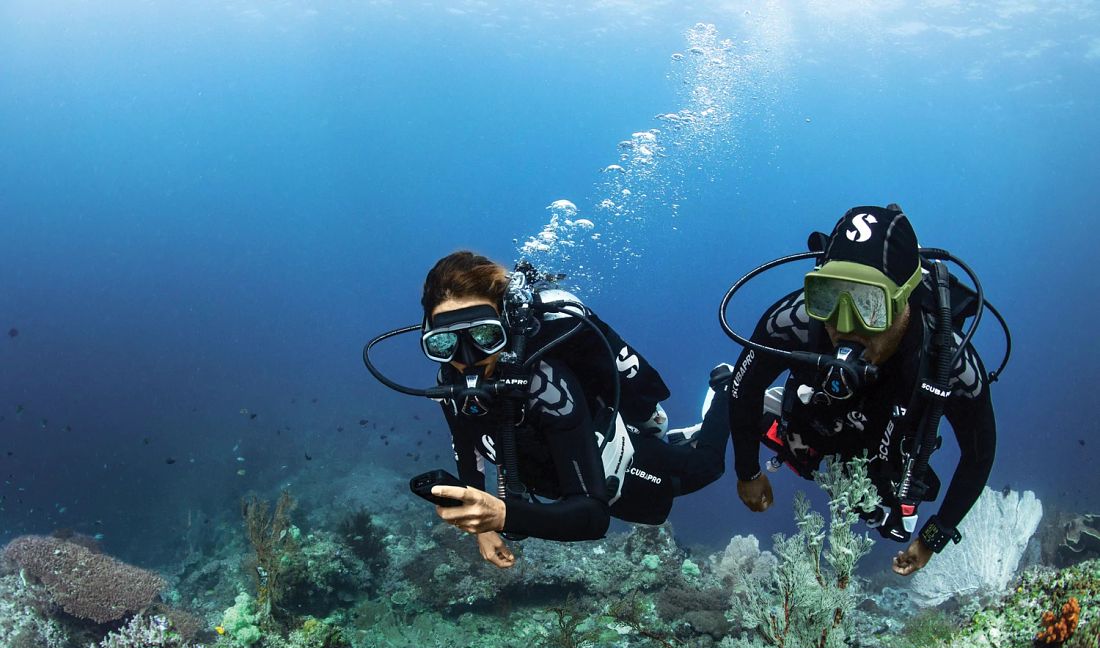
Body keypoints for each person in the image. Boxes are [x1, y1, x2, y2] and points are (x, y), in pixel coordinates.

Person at [723, 205, 997, 576]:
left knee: (886, 515)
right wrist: (747, 470)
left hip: (881, 452)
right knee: (750, 409)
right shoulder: (797, 321)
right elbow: (745, 384)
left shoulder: (947, 361)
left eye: (870, 304)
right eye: (829, 297)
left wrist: (934, 537)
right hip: (812, 428)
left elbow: (979, 455)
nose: (844, 324)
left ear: (906, 299)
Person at [419, 251, 731, 568]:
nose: (467, 358)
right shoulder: (451, 384)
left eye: (485, 335)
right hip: (567, 480)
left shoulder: (547, 386)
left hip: (616, 465)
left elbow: (593, 517)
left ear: (505, 323)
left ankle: (726, 389)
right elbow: (465, 446)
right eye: (445, 343)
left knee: (706, 468)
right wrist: (483, 530)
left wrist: (501, 515)